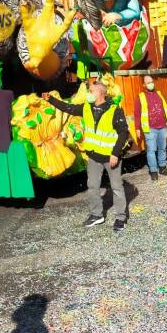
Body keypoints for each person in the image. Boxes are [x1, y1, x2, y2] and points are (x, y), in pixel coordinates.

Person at [43, 81, 129, 231]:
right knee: (92, 186)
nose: (88, 93)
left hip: (111, 157)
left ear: (100, 93)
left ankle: (120, 217)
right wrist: (51, 99)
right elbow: (68, 108)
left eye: (91, 91)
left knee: (116, 187)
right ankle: (97, 215)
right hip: (94, 156)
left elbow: (123, 133)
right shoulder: (86, 108)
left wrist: (115, 154)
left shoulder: (115, 110)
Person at [134, 75, 167, 181]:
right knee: (151, 150)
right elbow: (137, 114)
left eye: (152, 81)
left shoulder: (159, 94)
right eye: (148, 82)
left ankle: (162, 167)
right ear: (144, 85)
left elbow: (166, 107)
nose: (151, 84)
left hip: (162, 126)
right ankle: (153, 171)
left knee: (162, 148)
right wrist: (137, 128)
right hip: (150, 128)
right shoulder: (140, 97)